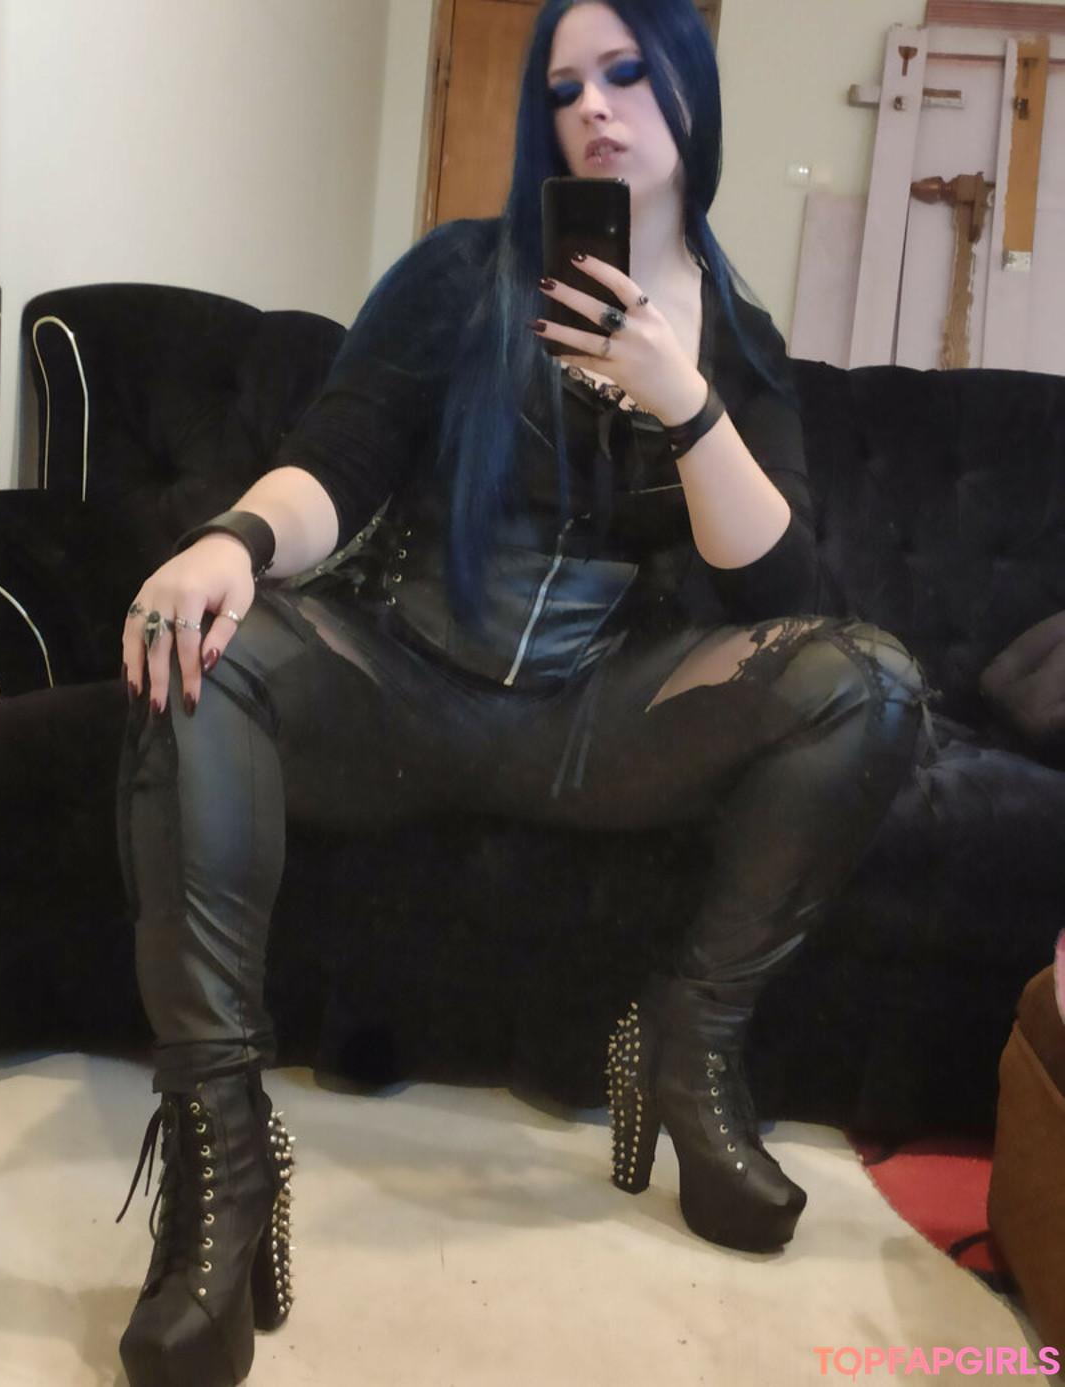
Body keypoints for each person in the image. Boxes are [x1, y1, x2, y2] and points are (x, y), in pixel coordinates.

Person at [115, 2, 925, 1384]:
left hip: (592, 721)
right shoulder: (460, 275)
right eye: (564, 86)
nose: (593, 107)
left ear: (690, 92)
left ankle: (692, 1043)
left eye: (627, 73)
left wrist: (683, 399)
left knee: (872, 685)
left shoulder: (735, 333)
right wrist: (233, 539)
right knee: (200, 650)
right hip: (400, 686)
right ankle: (220, 1156)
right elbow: (339, 460)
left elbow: (782, 591)